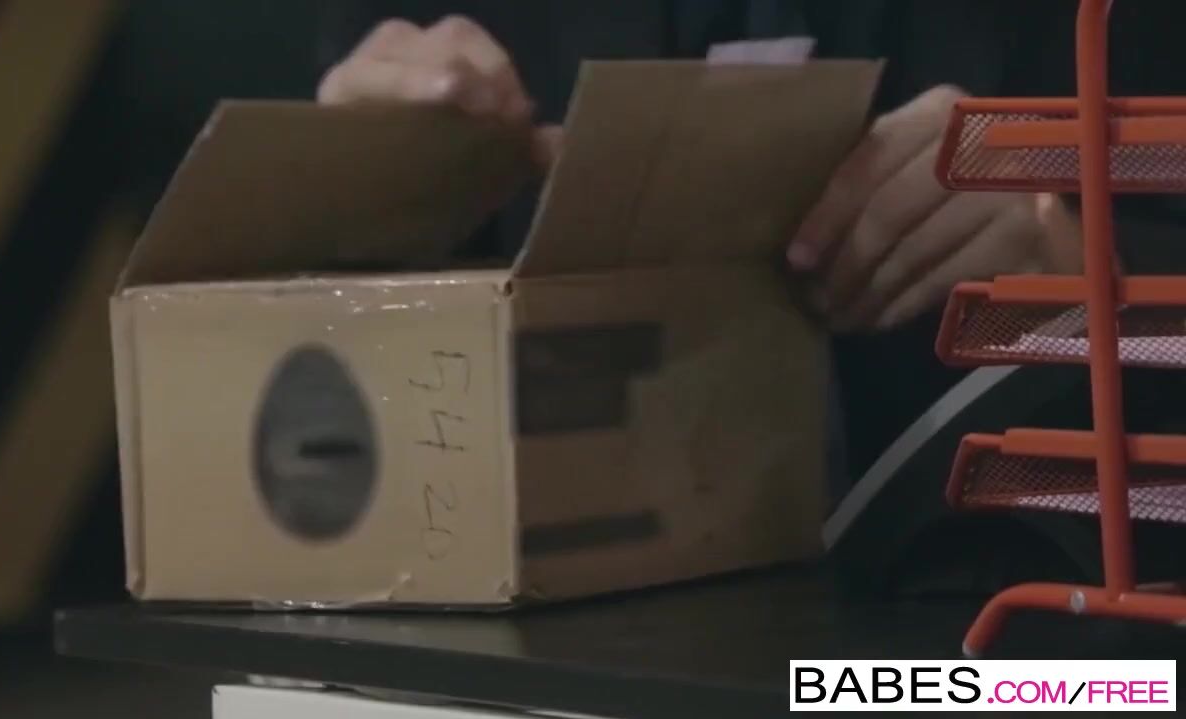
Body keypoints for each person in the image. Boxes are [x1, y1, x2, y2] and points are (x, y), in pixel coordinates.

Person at [313, 0, 1186, 483]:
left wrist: (1095, 273)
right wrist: (337, 203)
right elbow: (310, 350)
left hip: (1027, 649)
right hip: (540, 641)